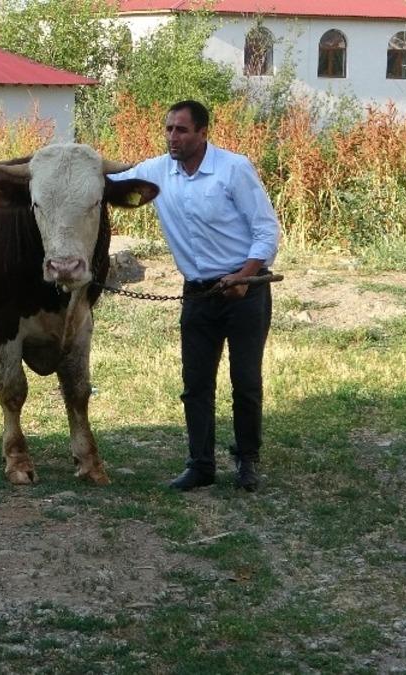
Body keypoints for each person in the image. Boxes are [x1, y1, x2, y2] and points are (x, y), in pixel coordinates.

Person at [112, 100, 280, 492]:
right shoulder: (155, 172)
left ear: (203, 133)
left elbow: (266, 230)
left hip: (245, 290)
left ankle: (247, 462)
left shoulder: (233, 168)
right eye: (169, 129)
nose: (173, 137)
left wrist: (244, 275)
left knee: (245, 381)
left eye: (182, 130)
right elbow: (113, 184)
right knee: (196, 384)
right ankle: (200, 465)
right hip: (198, 294)